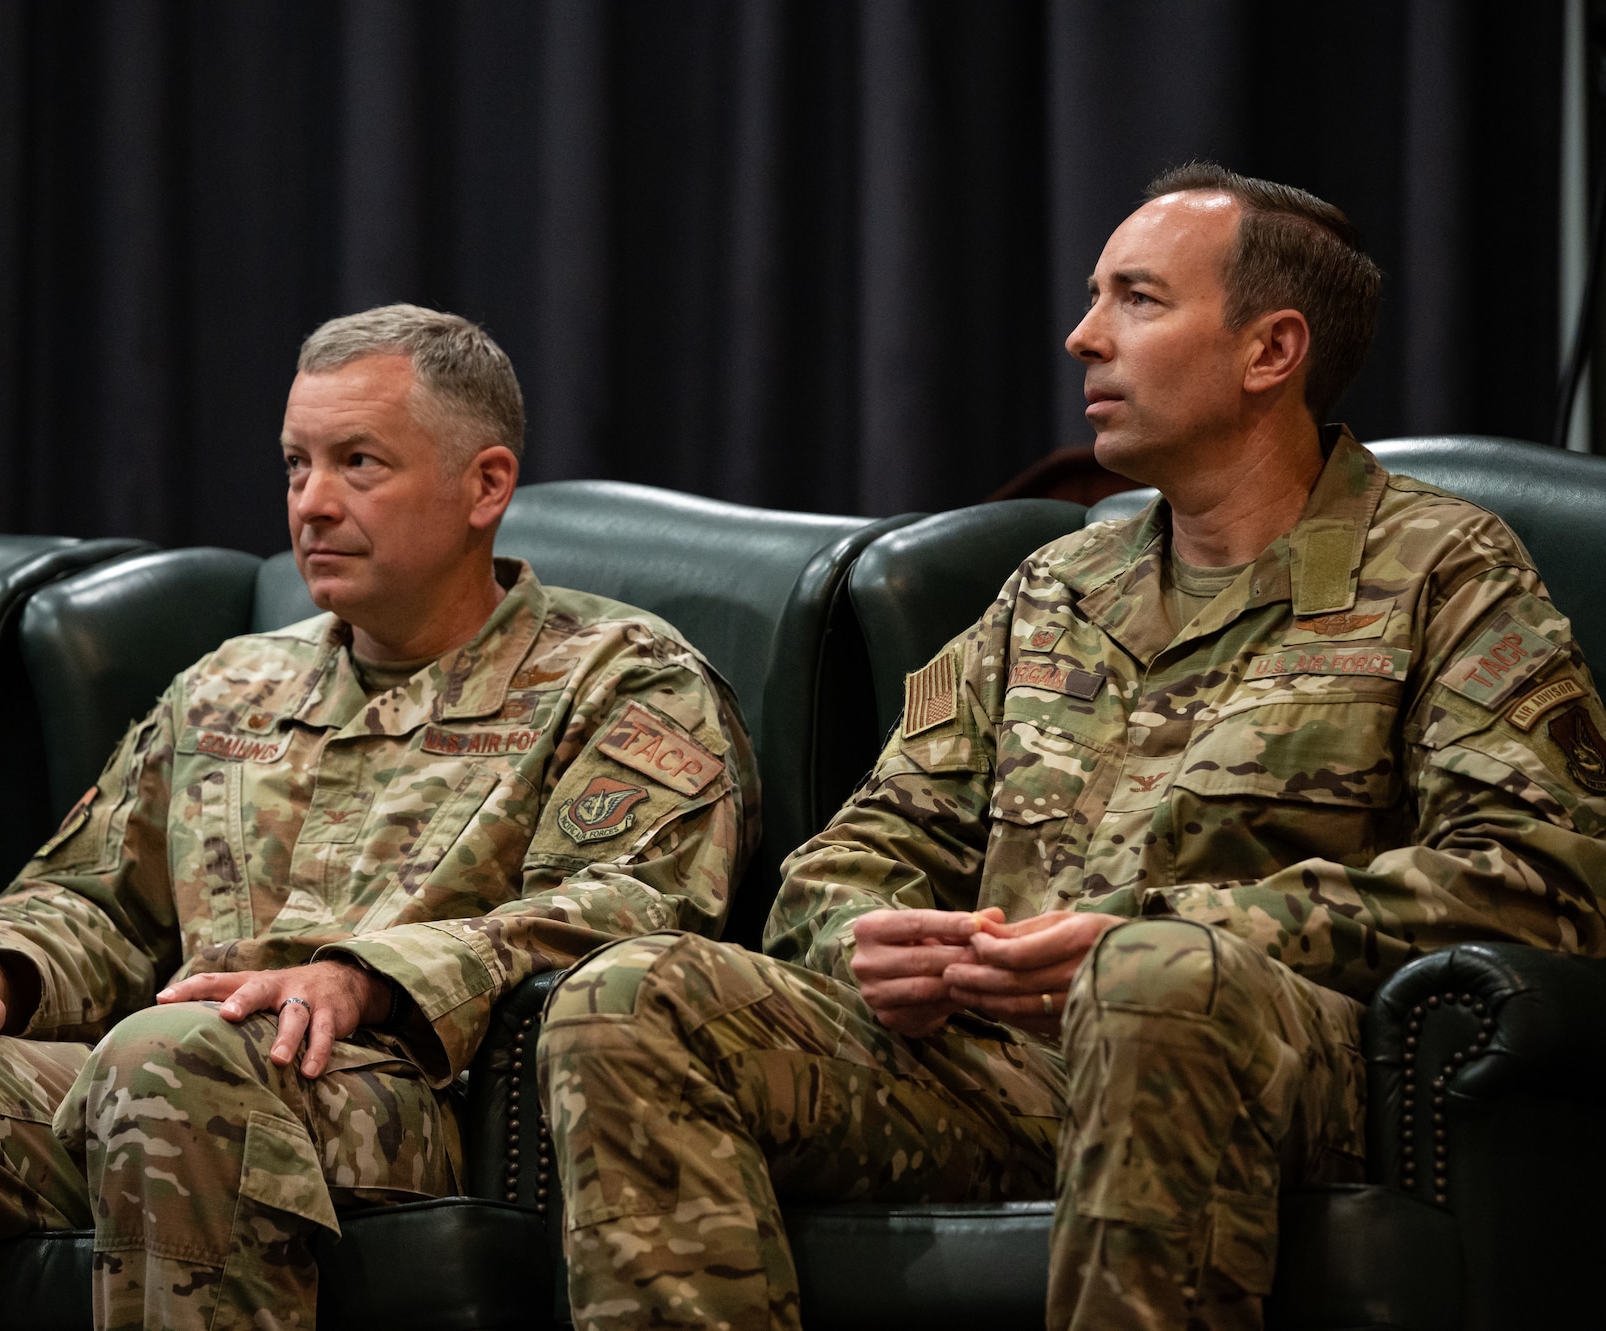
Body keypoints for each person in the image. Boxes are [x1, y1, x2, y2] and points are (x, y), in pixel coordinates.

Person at [540, 164, 1606, 1331]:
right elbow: (857, 851)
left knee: (1151, 980)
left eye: (1135, 300)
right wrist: (871, 944)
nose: (1080, 336)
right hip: (996, 1064)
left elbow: (1542, 877)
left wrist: (1170, 930)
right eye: (1093, 297)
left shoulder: (1441, 568)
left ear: (1269, 350)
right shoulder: (1052, 585)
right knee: (629, 992)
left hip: (1277, 1054)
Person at [0, 304, 759, 1331]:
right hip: (169, 1067)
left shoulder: (619, 677)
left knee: (171, 1057)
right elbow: (93, 895)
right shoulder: (231, 683)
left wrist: (366, 975)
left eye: (359, 462)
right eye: (295, 464)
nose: (311, 502)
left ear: (484, 484)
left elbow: (633, 907)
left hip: (416, 1097)